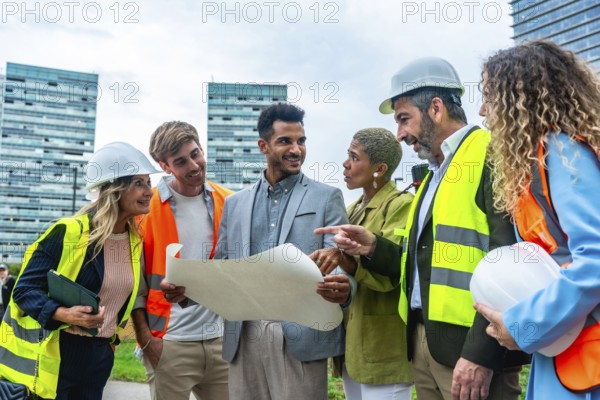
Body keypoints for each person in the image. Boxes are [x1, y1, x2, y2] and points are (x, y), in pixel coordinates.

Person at [316, 57, 529, 400]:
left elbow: (510, 261)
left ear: (435, 108)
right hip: (423, 344)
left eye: (403, 119)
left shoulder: (491, 153)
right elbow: (421, 263)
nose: (400, 134)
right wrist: (372, 247)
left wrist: (481, 354)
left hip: (471, 350)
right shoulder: (432, 175)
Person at [474, 40, 600, 399]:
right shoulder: (550, 155)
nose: (483, 110)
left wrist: (523, 323)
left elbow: (596, 260)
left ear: (519, 99)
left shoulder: (564, 153)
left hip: (585, 357)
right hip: (568, 346)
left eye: (489, 97)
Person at [211, 102, 353, 400]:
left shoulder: (327, 198)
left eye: (301, 141)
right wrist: (188, 287)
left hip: (300, 335)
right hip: (244, 334)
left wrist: (345, 287)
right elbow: (222, 268)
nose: (296, 149)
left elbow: (341, 263)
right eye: (285, 141)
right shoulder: (235, 205)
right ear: (263, 145)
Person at [0, 141, 159, 400]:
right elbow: (24, 290)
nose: (149, 191)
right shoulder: (69, 232)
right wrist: (64, 314)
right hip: (61, 352)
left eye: (148, 183)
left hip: (99, 355)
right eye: (139, 183)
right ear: (115, 189)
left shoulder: (133, 241)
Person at [131, 121, 232, 400]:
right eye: (181, 161)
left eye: (196, 154)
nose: (194, 165)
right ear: (164, 166)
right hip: (169, 343)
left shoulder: (230, 201)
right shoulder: (144, 210)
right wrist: (146, 341)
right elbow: (134, 285)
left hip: (221, 342)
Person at [311, 128, 414, 399]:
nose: (345, 164)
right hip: (354, 346)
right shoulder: (354, 207)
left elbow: (392, 273)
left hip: (382, 347)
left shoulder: (401, 205)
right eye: (348, 155)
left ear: (379, 168)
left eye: (354, 157)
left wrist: (346, 259)